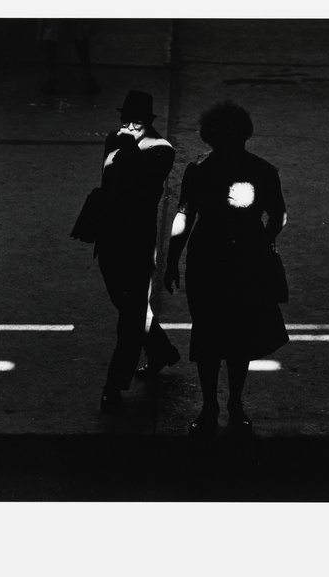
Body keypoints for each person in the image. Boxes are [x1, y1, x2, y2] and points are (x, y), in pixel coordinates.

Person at [164, 100, 288, 436]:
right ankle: (234, 403)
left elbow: (185, 215)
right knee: (239, 337)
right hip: (245, 260)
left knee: (208, 335)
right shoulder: (264, 171)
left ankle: (210, 406)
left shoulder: (199, 170)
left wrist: (172, 258)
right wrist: (264, 240)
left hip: (206, 259)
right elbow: (278, 215)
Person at [96, 90, 180, 413]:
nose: (129, 127)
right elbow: (107, 185)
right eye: (125, 120)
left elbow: (141, 191)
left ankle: (114, 385)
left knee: (130, 318)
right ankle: (161, 351)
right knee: (127, 305)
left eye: (137, 122)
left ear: (149, 122)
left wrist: (129, 150)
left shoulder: (161, 151)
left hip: (135, 242)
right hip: (110, 238)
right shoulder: (113, 139)